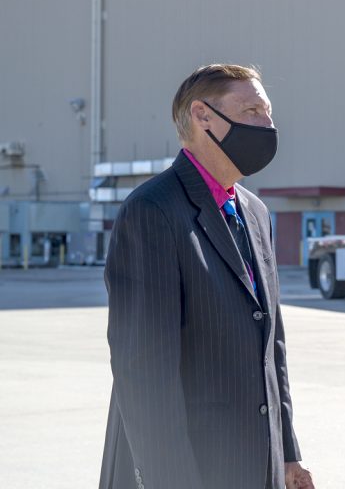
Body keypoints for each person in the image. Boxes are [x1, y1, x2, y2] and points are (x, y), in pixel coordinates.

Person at [99, 64, 315, 489]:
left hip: (257, 463)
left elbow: (272, 349)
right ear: (202, 117)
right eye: (252, 110)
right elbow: (143, 371)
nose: (267, 124)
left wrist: (286, 454)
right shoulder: (153, 211)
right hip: (192, 468)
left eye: (268, 112)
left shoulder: (255, 212)